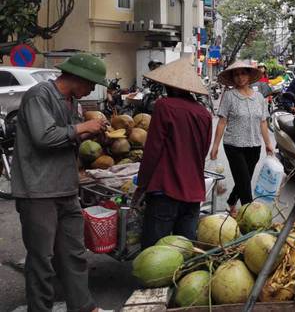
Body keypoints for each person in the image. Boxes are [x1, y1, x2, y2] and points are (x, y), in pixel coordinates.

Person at [12, 53, 111, 312]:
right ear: (78, 77)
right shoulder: (39, 95)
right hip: (38, 191)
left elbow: (68, 138)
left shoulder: (71, 103)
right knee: (42, 260)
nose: (92, 89)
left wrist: (91, 130)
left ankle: (83, 306)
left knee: (74, 254)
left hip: (66, 188)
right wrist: (83, 127)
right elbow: (44, 138)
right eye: (91, 83)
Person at [135, 56, 213, 248]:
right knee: (185, 251)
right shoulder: (204, 113)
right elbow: (202, 152)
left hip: (165, 191)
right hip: (193, 192)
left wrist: (142, 185)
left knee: (154, 251)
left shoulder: (164, 106)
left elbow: (152, 151)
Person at [211, 61, 274, 215]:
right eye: (236, 74)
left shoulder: (259, 97)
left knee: (243, 179)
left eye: (243, 73)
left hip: (254, 146)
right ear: (233, 78)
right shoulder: (229, 96)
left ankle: (231, 202)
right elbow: (222, 122)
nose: (240, 78)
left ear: (249, 75)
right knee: (245, 182)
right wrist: (215, 146)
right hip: (234, 145)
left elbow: (263, 121)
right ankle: (250, 214)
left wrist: (268, 144)